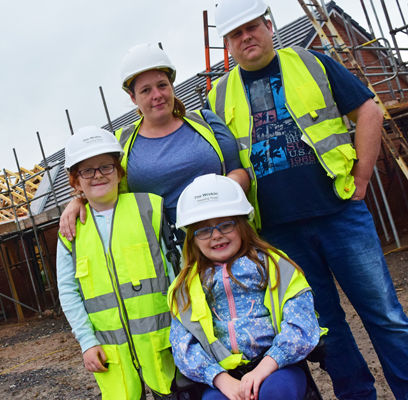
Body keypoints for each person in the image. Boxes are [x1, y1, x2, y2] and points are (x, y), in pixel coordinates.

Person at [207, 1, 408, 398]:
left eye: (252, 27)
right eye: (236, 33)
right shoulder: (218, 96)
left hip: (339, 214)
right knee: (324, 327)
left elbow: (368, 110)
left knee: (384, 315)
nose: (246, 37)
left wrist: (362, 178)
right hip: (278, 234)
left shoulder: (311, 62)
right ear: (228, 44)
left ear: (268, 25)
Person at [59, 43, 249, 240]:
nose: (157, 95)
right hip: (165, 253)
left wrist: (214, 196)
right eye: (145, 90)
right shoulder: (120, 144)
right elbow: (104, 189)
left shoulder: (205, 122)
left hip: (223, 236)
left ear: (171, 86)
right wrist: (79, 202)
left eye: (162, 85)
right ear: (133, 97)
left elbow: (239, 171)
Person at [169, 174, 321, 400]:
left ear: (242, 225)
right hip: (222, 377)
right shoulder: (184, 287)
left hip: (276, 366)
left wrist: (265, 367)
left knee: (276, 393)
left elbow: (302, 324)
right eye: (203, 229)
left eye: (226, 224)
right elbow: (183, 347)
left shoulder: (276, 265)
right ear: (192, 239)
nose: (216, 235)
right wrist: (221, 379)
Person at [57, 126, 178, 399]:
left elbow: (175, 273)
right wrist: (87, 343)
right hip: (111, 353)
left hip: (164, 343)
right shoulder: (70, 231)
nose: (98, 174)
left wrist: (184, 329)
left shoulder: (150, 208)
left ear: (119, 172)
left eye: (106, 167)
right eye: (86, 170)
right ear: (75, 182)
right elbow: (68, 291)